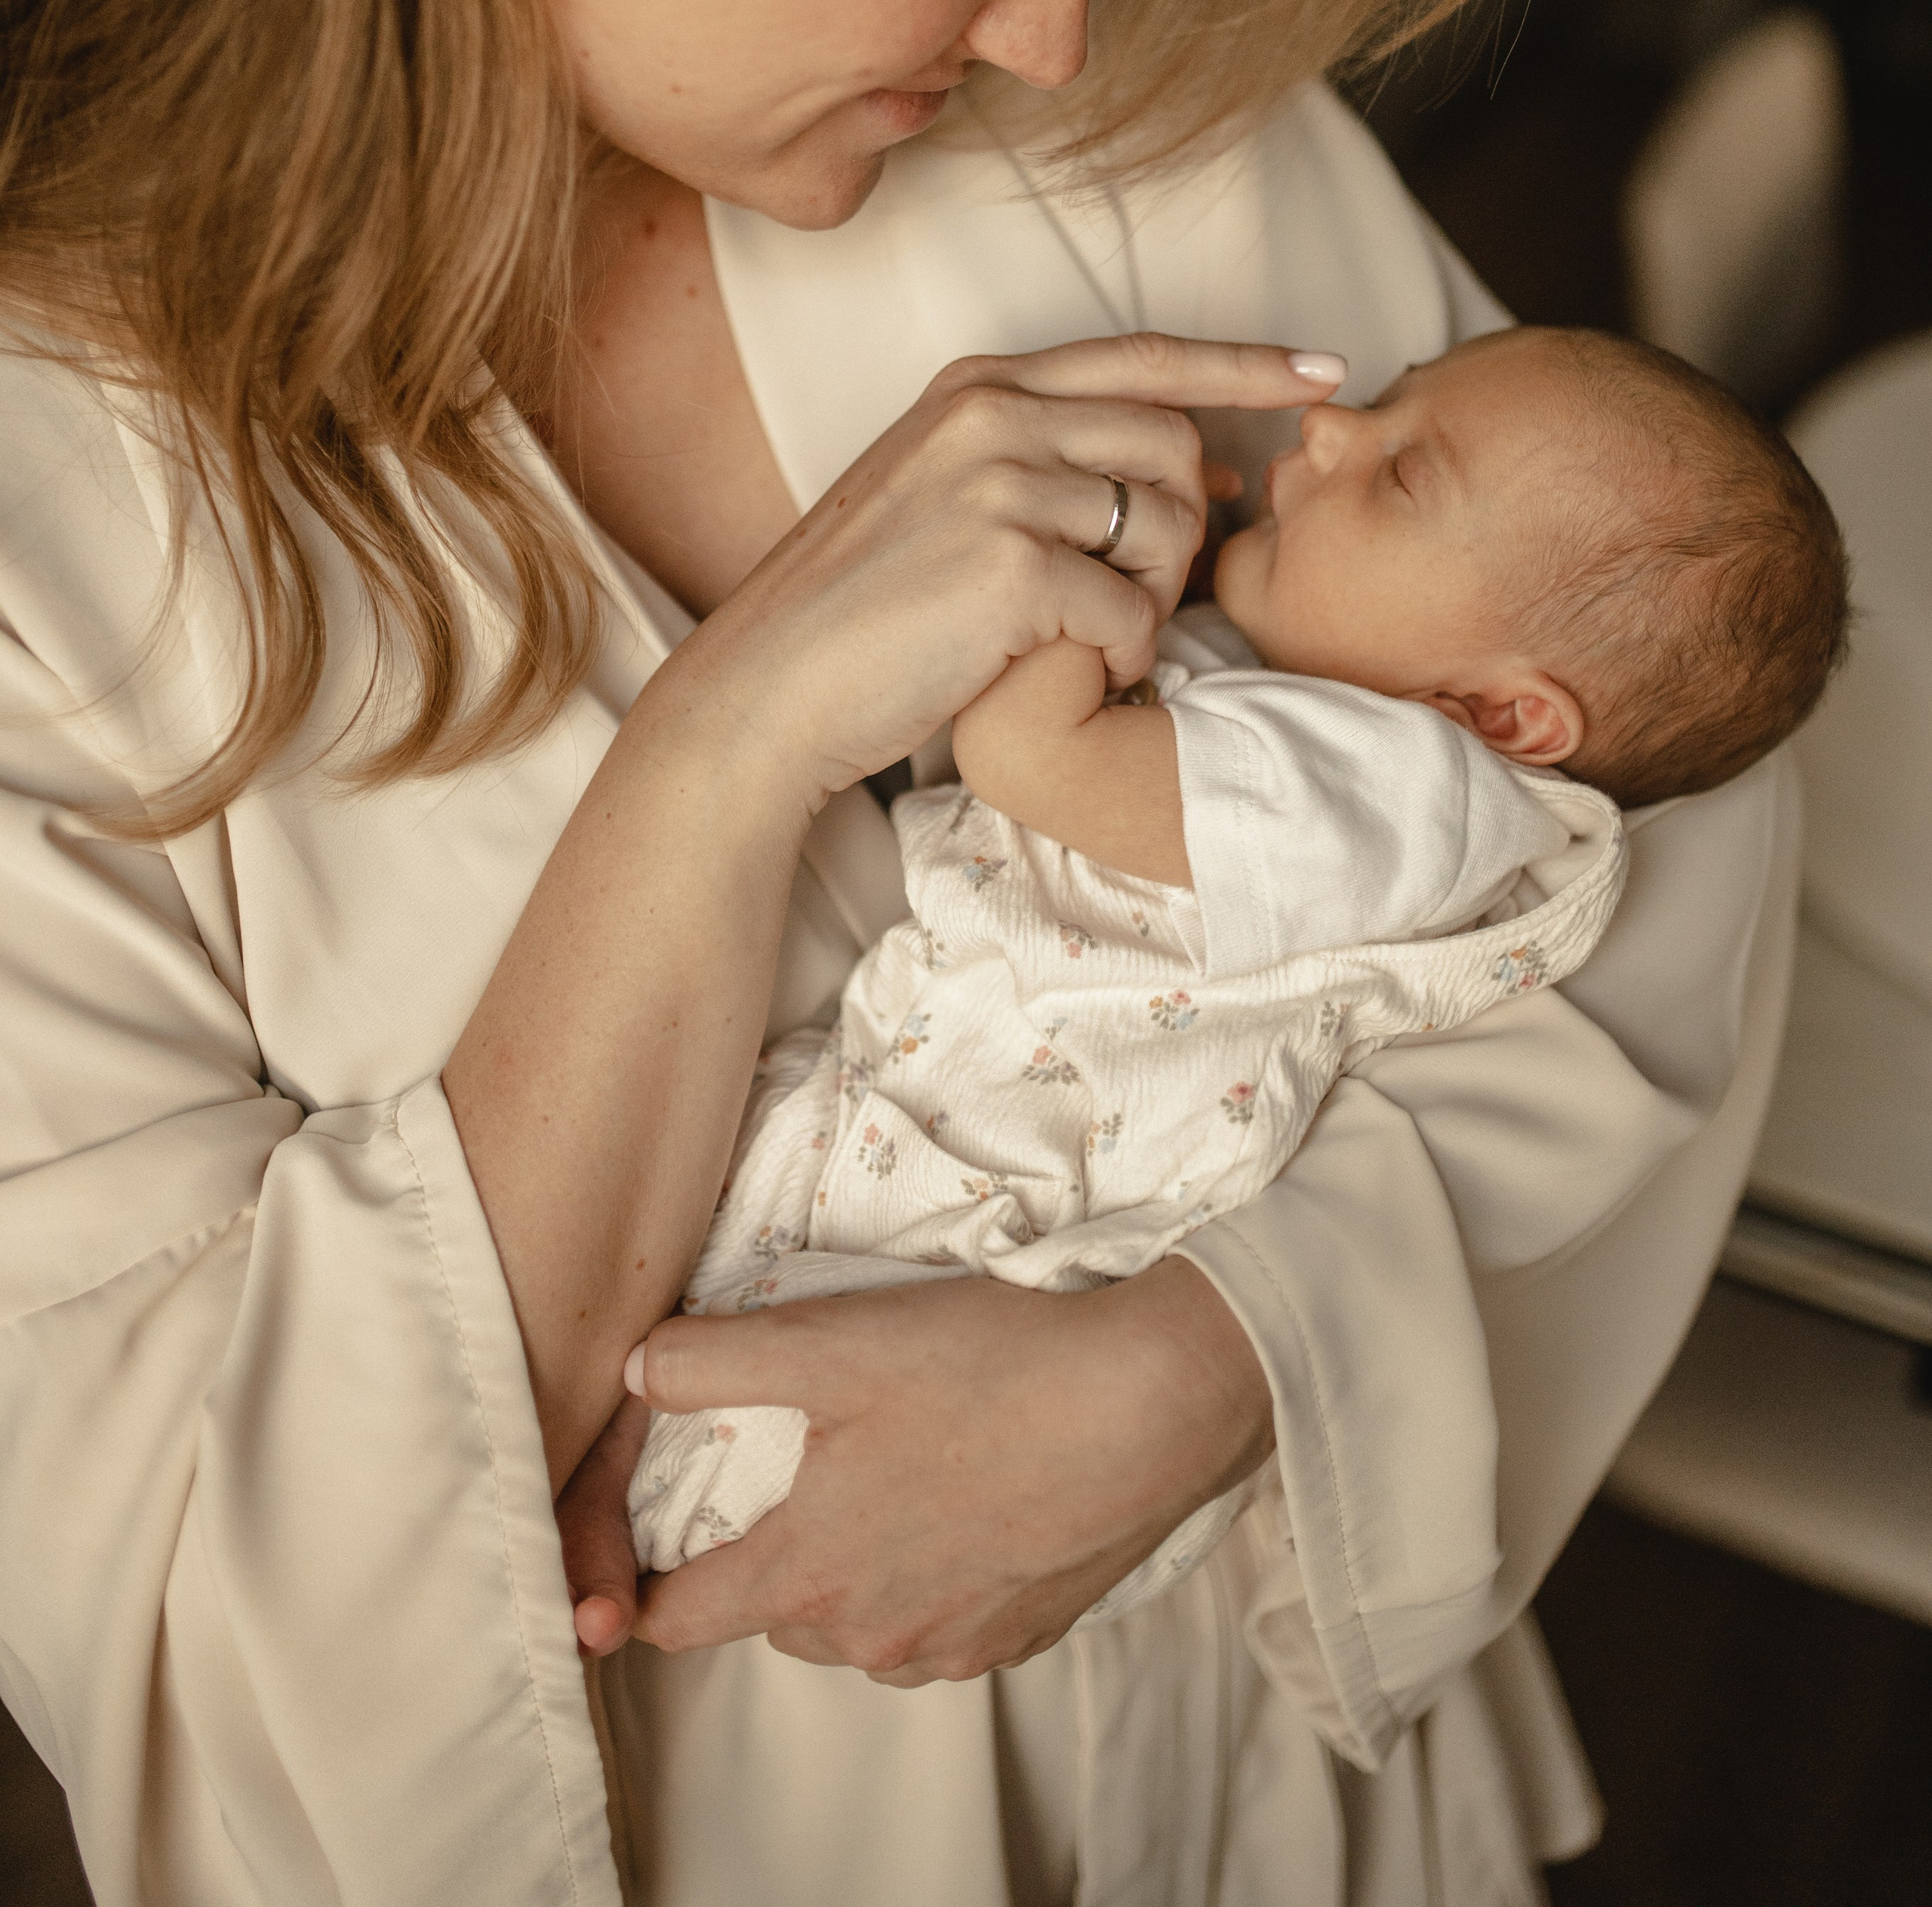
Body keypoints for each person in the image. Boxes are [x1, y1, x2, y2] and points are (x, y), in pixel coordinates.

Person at [0, 0, 1792, 1907]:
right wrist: (716, 759)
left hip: (1271, 1824)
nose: (1066, 35)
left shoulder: (1141, 172)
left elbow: (1640, 771)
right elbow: (211, 1614)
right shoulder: (44, 512)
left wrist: (1218, 1361)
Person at [626, 325, 1847, 1595]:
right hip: (956, 1105)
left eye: (1400, 475)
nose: (1329, 433)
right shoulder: (1348, 720)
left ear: (1498, 717)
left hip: (1010, 1170)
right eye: (1379, 403)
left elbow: (1031, 757)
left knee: (726, 1380)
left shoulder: (1393, 794)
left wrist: (1086, 570)